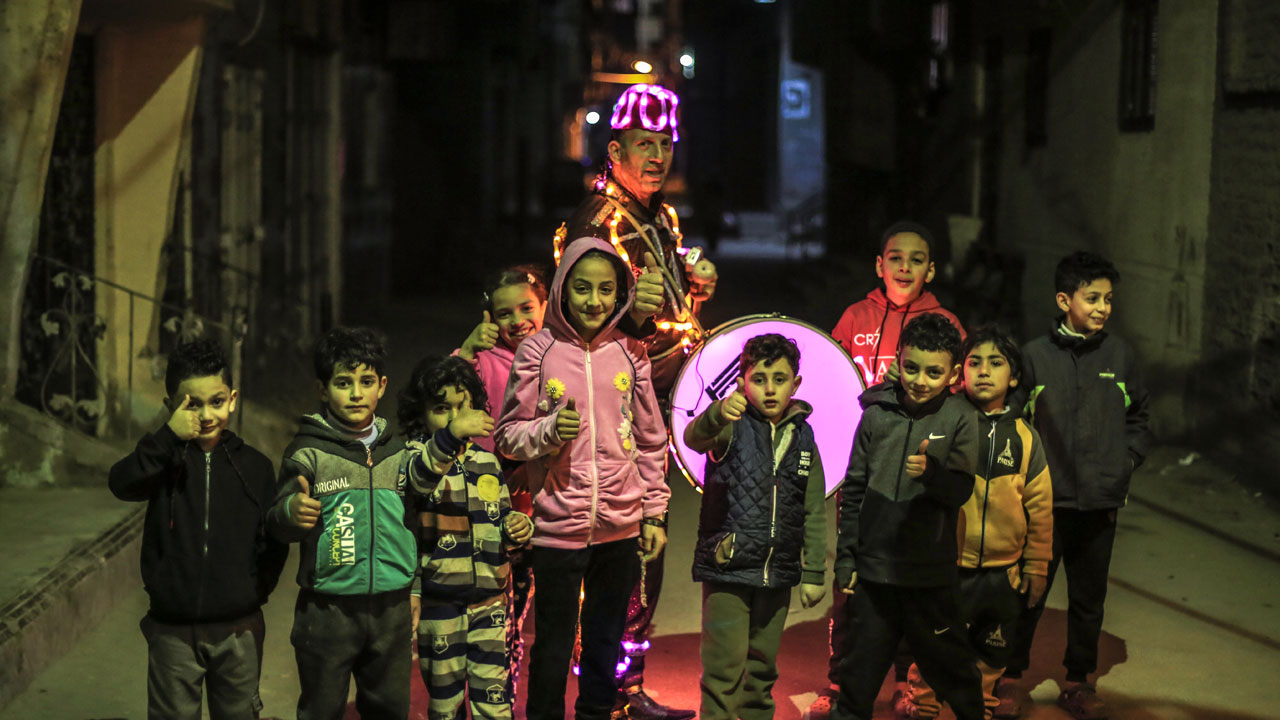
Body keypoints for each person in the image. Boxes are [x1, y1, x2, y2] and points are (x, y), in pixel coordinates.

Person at [555, 80, 711, 720]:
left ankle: (625, 686)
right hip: (616, 410)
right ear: (614, 150)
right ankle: (608, 693)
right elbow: (576, 324)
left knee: (648, 544)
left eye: (665, 145)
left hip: (662, 400)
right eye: (644, 145)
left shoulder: (658, 216)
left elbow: (664, 304)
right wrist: (633, 318)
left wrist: (694, 286)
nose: (657, 157)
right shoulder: (597, 223)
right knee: (621, 548)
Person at [494, 237, 671, 720]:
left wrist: (654, 513)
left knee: (604, 644)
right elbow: (508, 436)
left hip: (620, 527)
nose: (594, 301)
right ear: (561, 291)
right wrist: (549, 432)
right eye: (582, 288)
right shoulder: (537, 351)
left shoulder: (632, 352)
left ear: (620, 294)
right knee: (552, 647)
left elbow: (651, 439)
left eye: (606, 289)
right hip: (557, 528)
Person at [811, 221, 966, 720]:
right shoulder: (854, 316)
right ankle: (840, 681)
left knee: (914, 587)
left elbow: (959, 398)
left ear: (931, 270)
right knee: (854, 581)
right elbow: (831, 382)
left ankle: (906, 681)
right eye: (895, 257)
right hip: (865, 466)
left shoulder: (945, 322)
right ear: (879, 265)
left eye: (916, 259)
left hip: (921, 478)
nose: (905, 267)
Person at [999, 252, 1151, 720]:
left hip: (1100, 500)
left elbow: (1140, 416)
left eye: (1108, 299)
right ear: (1065, 301)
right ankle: (1009, 678)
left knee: (1089, 599)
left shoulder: (1120, 356)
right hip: (1044, 503)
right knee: (1028, 593)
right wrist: (1020, 477)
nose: (1103, 308)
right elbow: (1012, 419)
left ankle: (1078, 682)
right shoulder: (1034, 357)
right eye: (1093, 298)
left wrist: (1126, 461)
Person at [109, 338, 287, 720]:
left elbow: (273, 540)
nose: (206, 415)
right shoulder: (163, 460)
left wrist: (252, 593)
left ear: (232, 399)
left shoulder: (255, 467)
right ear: (170, 406)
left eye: (216, 401)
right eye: (192, 404)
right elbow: (121, 483)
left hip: (239, 630)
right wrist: (166, 438)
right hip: (172, 630)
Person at [893, 325, 1053, 720]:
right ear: (959, 373)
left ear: (1013, 377)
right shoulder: (945, 423)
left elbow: (1040, 507)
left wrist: (1036, 565)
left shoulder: (1026, 438)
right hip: (948, 565)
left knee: (991, 649)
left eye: (995, 363)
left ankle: (981, 706)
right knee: (935, 642)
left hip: (1002, 572)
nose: (983, 371)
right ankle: (923, 704)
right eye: (974, 362)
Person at [831, 313, 985, 720]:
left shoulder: (961, 417)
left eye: (934, 372)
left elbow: (960, 490)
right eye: (911, 367)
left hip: (929, 576)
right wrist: (847, 558)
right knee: (857, 673)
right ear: (898, 359)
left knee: (953, 668)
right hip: (874, 574)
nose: (920, 380)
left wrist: (932, 473)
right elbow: (854, 490)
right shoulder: (875, 414)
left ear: (954, 374)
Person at [266, 327, 417, 720]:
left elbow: (414, 523)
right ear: (322, 389)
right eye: (343, 383)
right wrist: (290, 512)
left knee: (389, 709)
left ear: (382, 386)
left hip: (391, 609)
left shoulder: (398, 452)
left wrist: (415, 587)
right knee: (322, 708)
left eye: (366, 382)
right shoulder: (307, 452)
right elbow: (277, 521)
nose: (355, 394)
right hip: (327, 610)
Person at [684, 333, 827, 720]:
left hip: (778, 571)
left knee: (761, 672)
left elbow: (813, 508)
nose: (770, 389)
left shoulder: (804, 436)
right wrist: (717, 413)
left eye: (780, 379)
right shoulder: (731, 424)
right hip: (728, 569)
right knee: (723, 669)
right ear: (741, 382)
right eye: (759, 379)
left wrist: (814, 571)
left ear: (795, 383)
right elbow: (694, 438)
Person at [398, 355, 534, 720]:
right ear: (421, 413)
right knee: (446, 703)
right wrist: (449, 436)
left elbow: (500, 519)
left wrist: (516, 528)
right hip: (440, 604)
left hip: (491, 602)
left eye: (463, 407)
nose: (455, 418)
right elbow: (419, 480)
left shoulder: (487, 462)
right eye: (442, 409)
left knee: (494, 700)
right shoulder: (416, 457)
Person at [454, 264, 549, 696]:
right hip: (485, 505)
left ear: (545, 304)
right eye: (504, 313)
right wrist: (467, 350)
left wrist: (536, 466)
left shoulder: (559, 355)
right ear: (489, 317)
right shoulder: (481, 360)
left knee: (520, 611)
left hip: (535, 509)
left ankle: (505, 692)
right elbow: (442, 397)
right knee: (488, 611)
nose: (518, 321)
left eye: (527, 308)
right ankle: (481, 692)